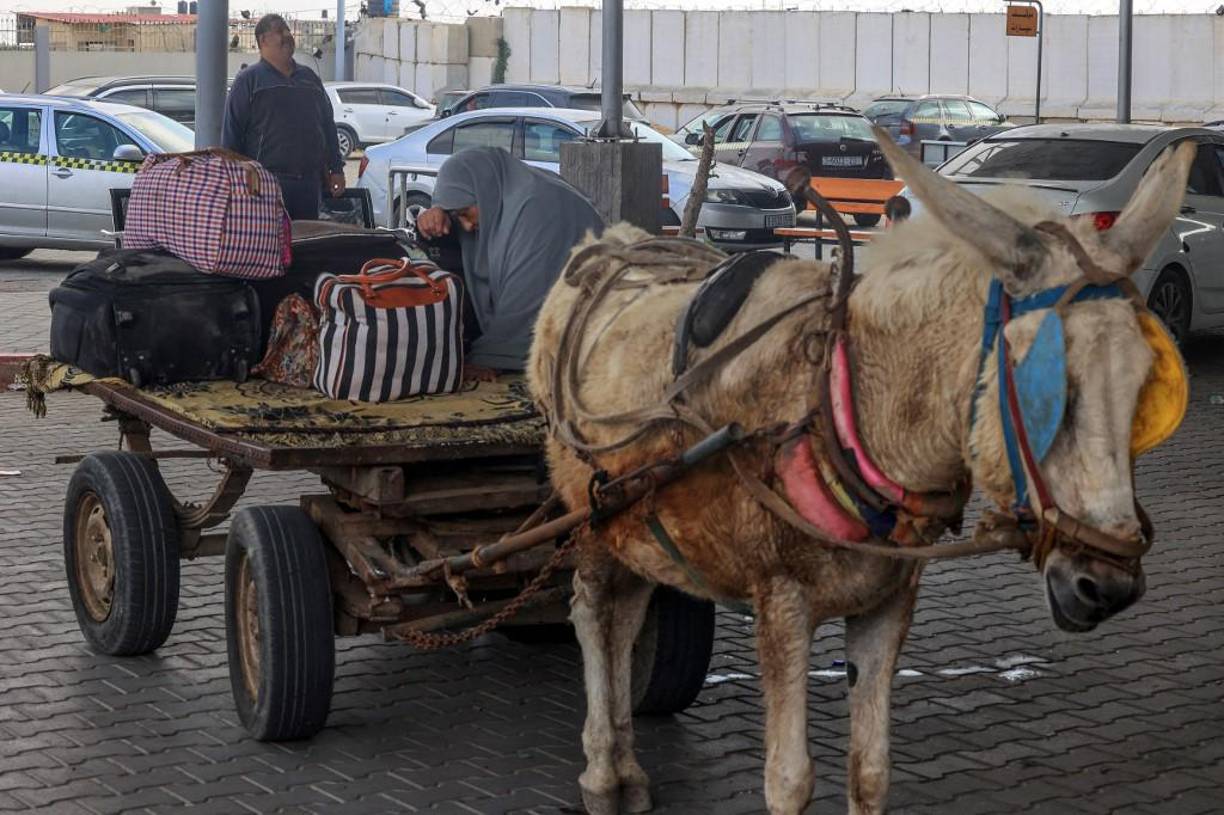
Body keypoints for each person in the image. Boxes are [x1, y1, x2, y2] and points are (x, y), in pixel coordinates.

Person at [414, 147, 605, 376]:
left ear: (484, 190)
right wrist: (436, 215)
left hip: (596, 332)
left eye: (465, 213)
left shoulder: (535, 208)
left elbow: (528, 301)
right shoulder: (504, 195)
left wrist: (489, 357)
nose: (466, 226)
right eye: (457, 217)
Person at [221, 14, 344, 219]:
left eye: (287, 30)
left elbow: (328, 127)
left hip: (309, 186)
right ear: (262, 41)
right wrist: (238, 181)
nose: (287, 35)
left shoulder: (310, 78)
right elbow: (231, 138)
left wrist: (336, 168)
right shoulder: (248, 81)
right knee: (270, 249)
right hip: (266, 186)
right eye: (279, 31)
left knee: (306, 248)